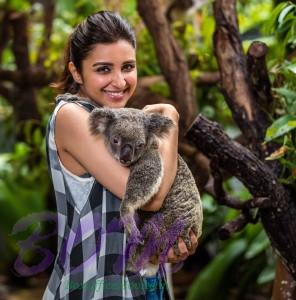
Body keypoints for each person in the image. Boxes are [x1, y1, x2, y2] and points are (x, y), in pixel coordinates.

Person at [44, 10, 198, 300]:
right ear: (76, 71)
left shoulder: (121, 120)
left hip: (142, 282)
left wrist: (175, 234)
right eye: (103, 69)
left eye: (128, 66)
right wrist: (171, 119)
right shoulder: (72, 117)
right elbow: (151, 197)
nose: (119, 80)